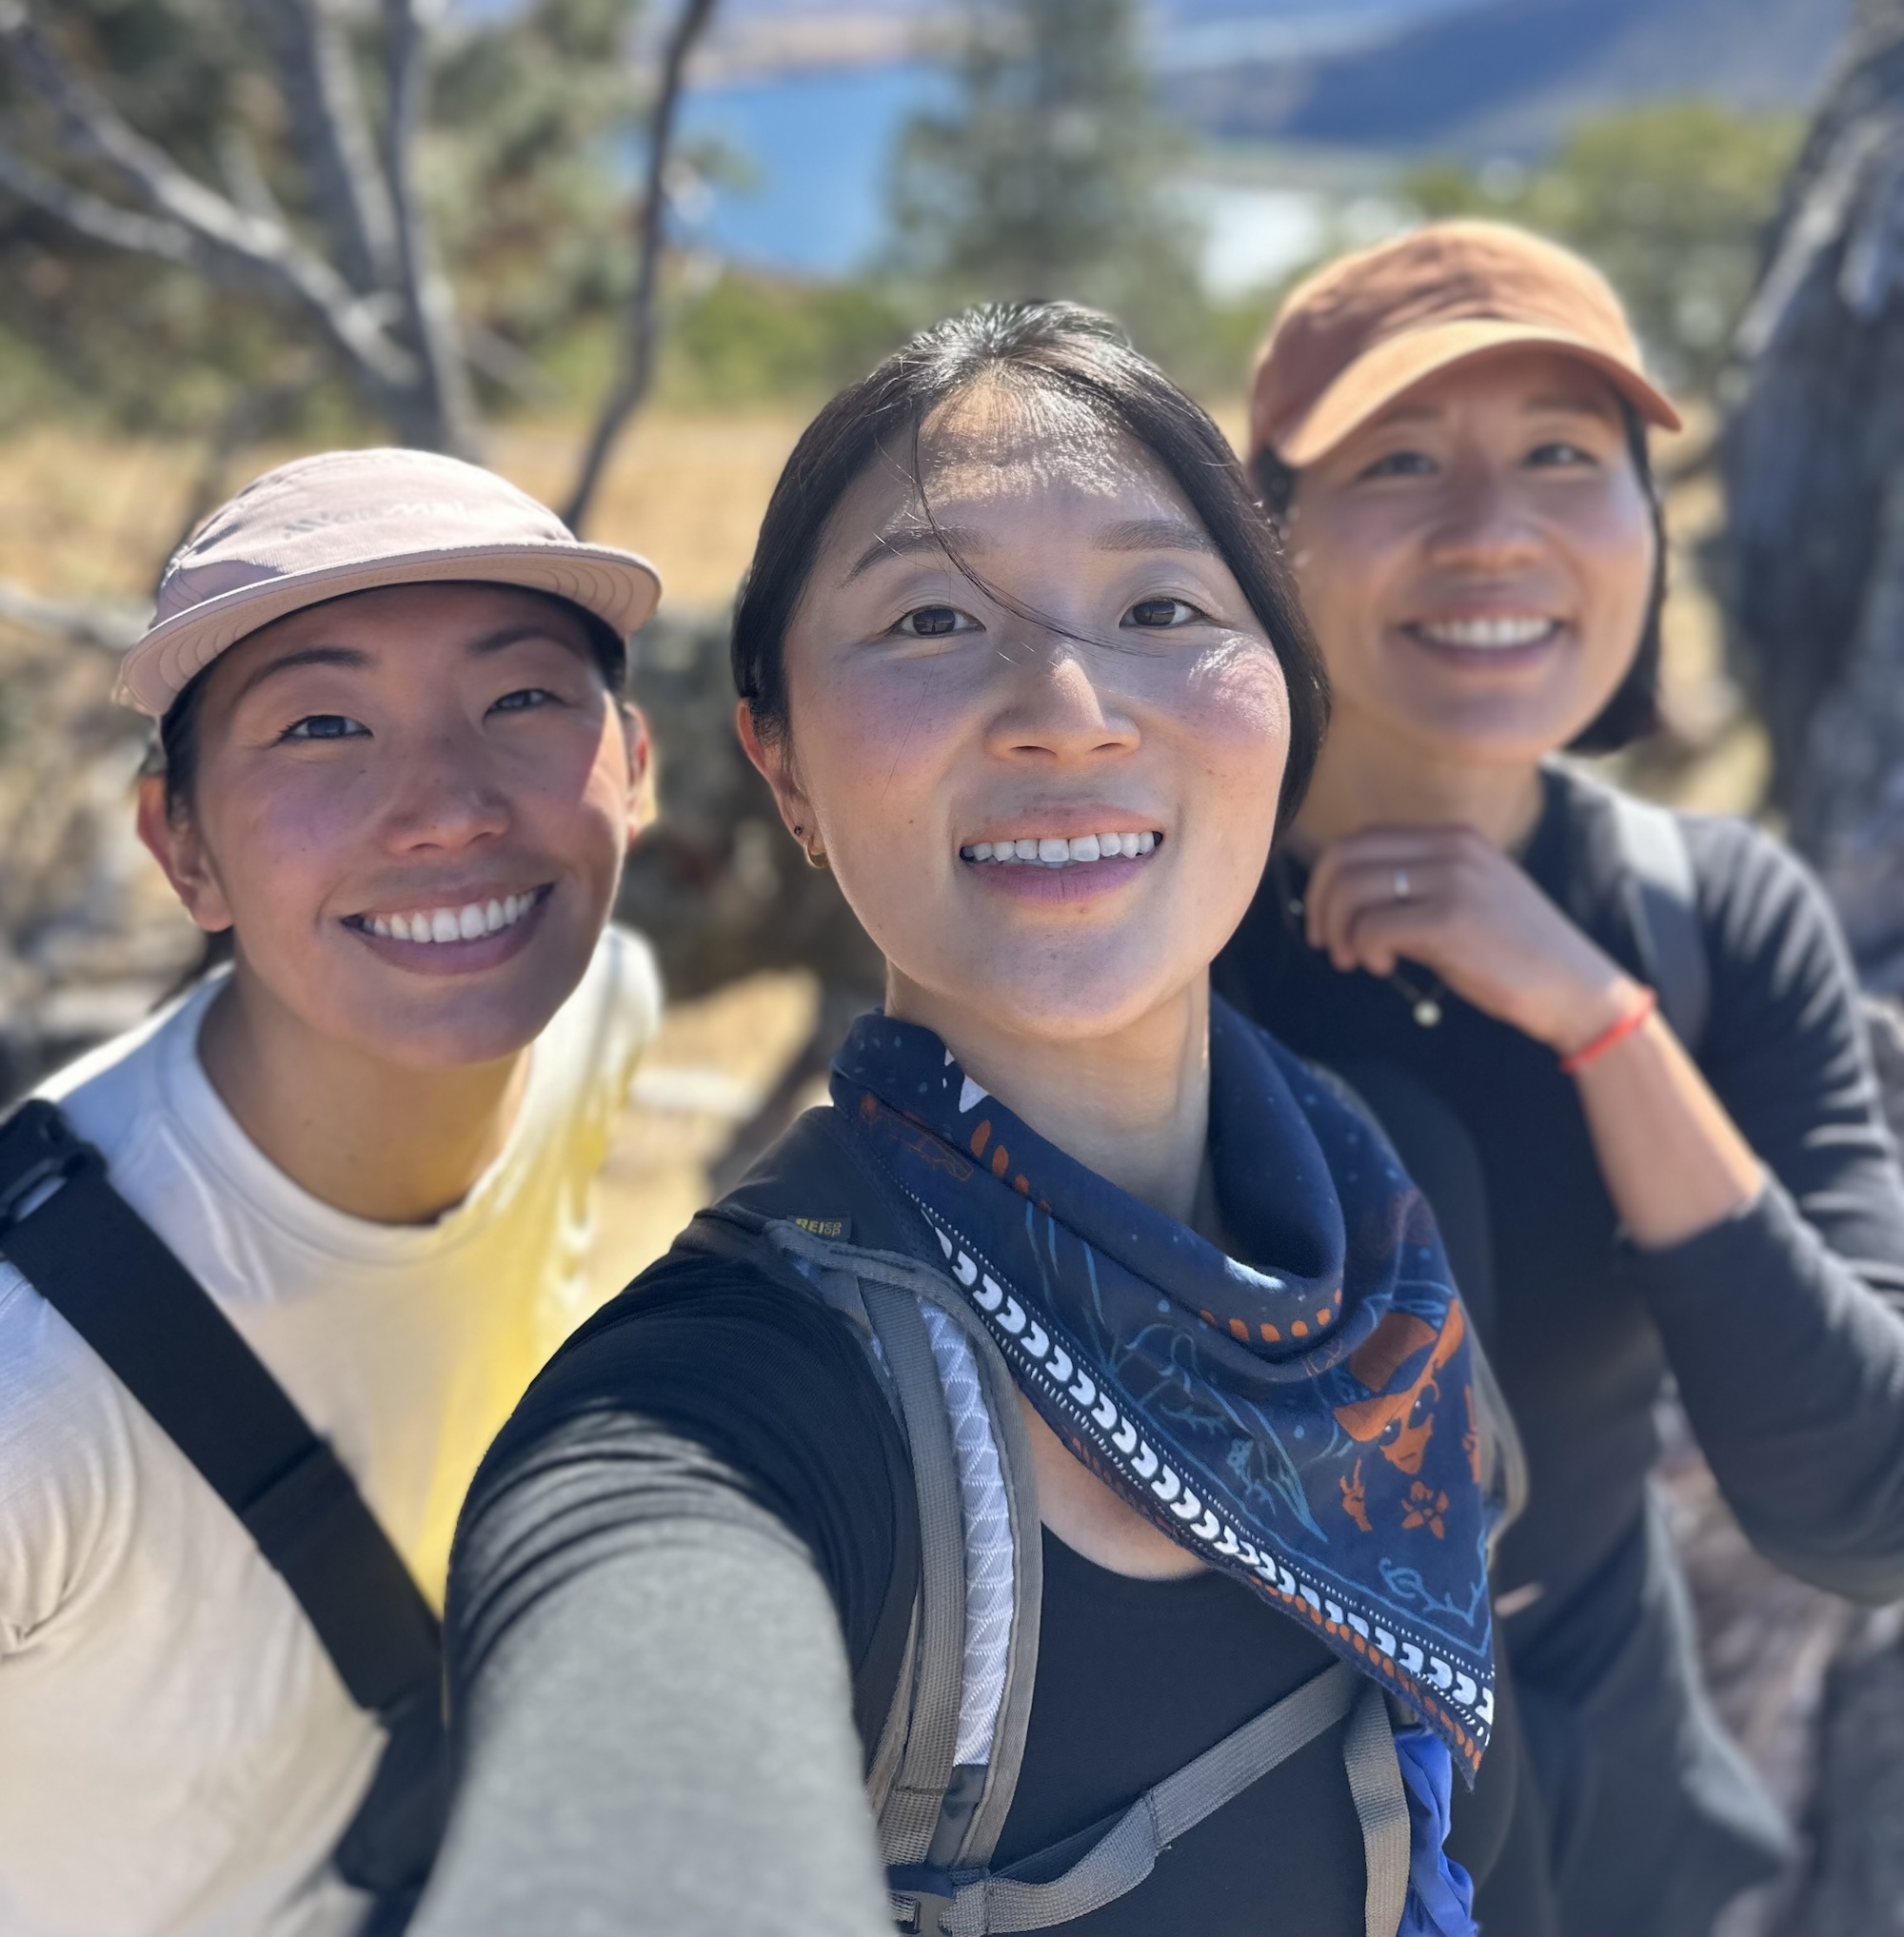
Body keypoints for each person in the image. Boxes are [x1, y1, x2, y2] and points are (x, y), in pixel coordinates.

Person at [416, 302, 1534, 1937]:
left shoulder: (1393, 1220)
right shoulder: (731, 1408)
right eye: (933, 620)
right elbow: (633, 1606)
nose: (1066, 707)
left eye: (1163, 604)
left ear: (1284, 707)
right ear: (781, 769)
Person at [1213, 220, 1904, 1936]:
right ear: (1264, 538)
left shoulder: (1709, 925)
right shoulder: (1142, 916)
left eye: (1560, 457)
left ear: (1647, 533)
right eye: (1399, 461)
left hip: (1607, 1847)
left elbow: (1857, 1508)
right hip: (1222, 1847)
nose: (1492, 528)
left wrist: (1602, 1024)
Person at [0, 448, 667, 1937]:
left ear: (633, 767)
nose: (443, 809)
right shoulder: (30, 1398)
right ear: (182, 848)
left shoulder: (596, 1018)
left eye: (519, 701)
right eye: (320, 725)